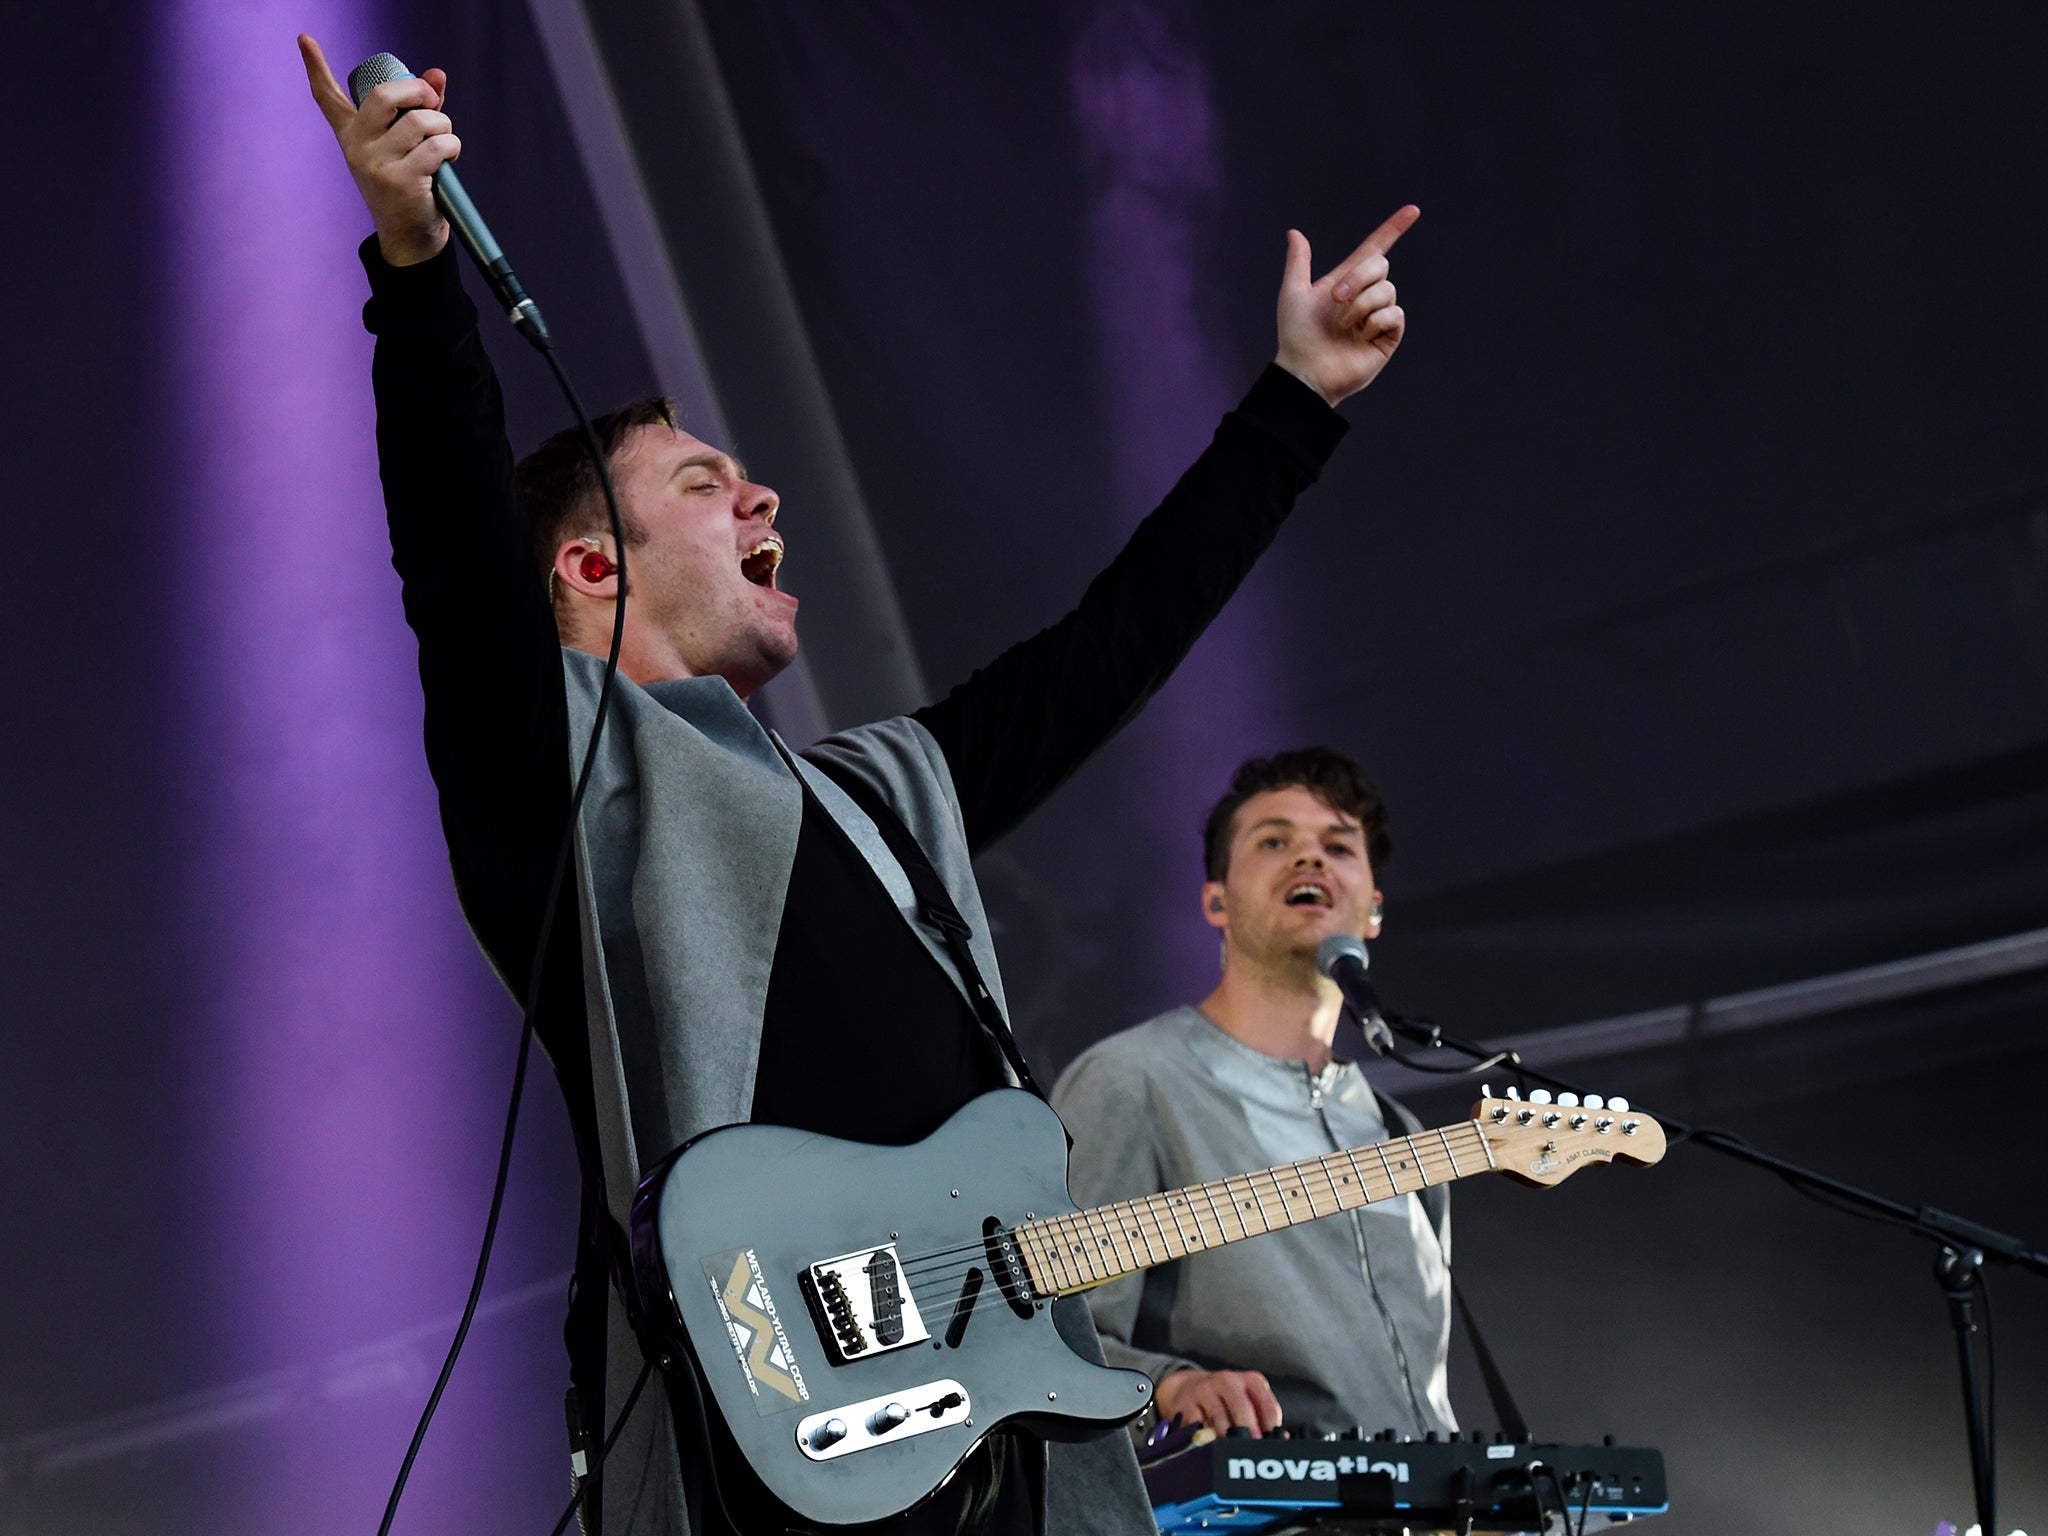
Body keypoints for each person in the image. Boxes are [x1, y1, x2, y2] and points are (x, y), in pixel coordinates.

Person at [299, 34, 1417, 1536]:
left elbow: (1107, 652)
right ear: (585, 570)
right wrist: (417, 258)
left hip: (996, 1462)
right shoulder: (555, 776)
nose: (761, 496)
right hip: (764, 1460)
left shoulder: (887, 798)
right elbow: (450, 547)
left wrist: (1296, 402)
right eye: (702, 484)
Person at [1051, 748, 1456, 1443]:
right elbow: (1058, 1338)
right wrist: (1173, 1388)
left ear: (1375, 910)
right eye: (1275, 841)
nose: (1310, 860)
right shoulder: (1132, 1079)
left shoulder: (1397, 1128)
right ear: (1217, 900)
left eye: (1338, 845)